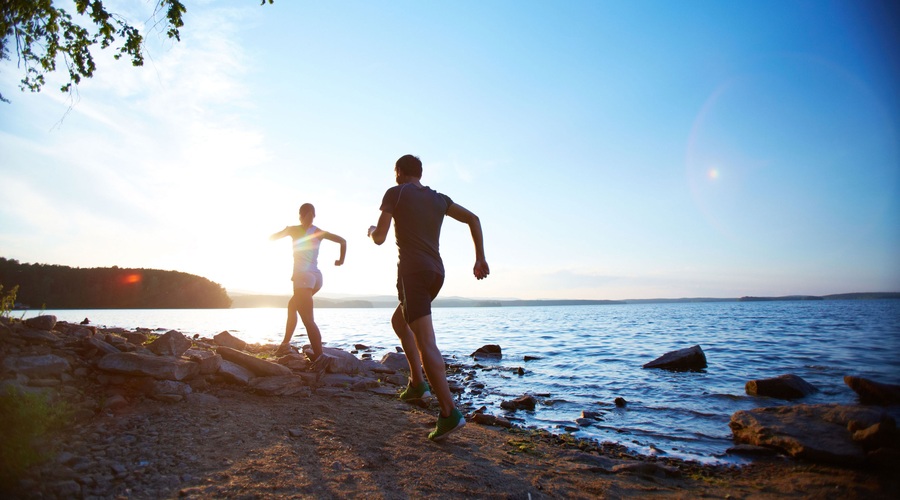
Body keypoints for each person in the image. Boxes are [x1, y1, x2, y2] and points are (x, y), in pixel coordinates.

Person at [368, 154, 489, 441]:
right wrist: (480, 258)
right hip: (436, 273)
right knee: (400, 321)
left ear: (398, 172)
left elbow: (381, 237)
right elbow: (473, 218)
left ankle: (449, 412)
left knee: (426, 341)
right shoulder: (440, 199)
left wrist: (372, 231)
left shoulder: (395, 193)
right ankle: (417, 383)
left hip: (413, 274)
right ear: (419, 173)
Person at [271, 203, 346, 363]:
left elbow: (272, 238)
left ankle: (320, 358)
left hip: (303, 277)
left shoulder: (293, 229)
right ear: (313, 215)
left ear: (300, 214)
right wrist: (341, 260)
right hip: (316, 278)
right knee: (292, 306)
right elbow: (343, 241)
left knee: (308, 319)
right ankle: (285, 344)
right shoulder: (319, 232)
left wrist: (283, 231)